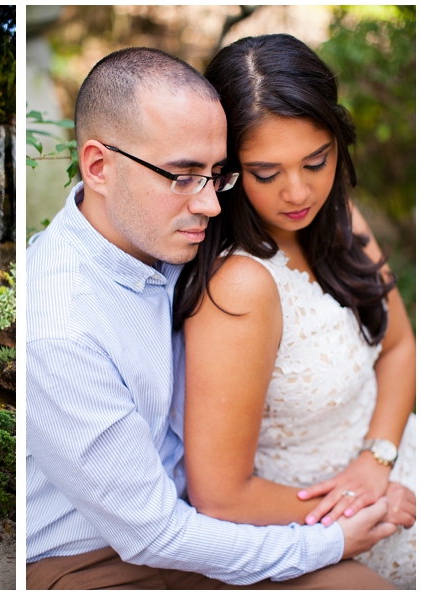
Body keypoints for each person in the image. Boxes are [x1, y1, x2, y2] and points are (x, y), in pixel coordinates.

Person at [26, 46, 399, 589]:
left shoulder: (159, 229)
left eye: (216, 175)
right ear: (98, 167)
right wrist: (334, 540)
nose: (211, 205)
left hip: (191, 522)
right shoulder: (62, 328)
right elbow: (156, 534)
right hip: (100, 560)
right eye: (182, 176)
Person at [176, 34, 416, 589]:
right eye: (266, 173)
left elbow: (400, 347)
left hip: (394, 454)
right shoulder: (238, 287)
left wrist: (377, 459)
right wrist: (359, 508)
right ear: (229, 170)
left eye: (316, 160)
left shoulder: (339, 220)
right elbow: (221, 496)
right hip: (325, 522)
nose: (297, 191)